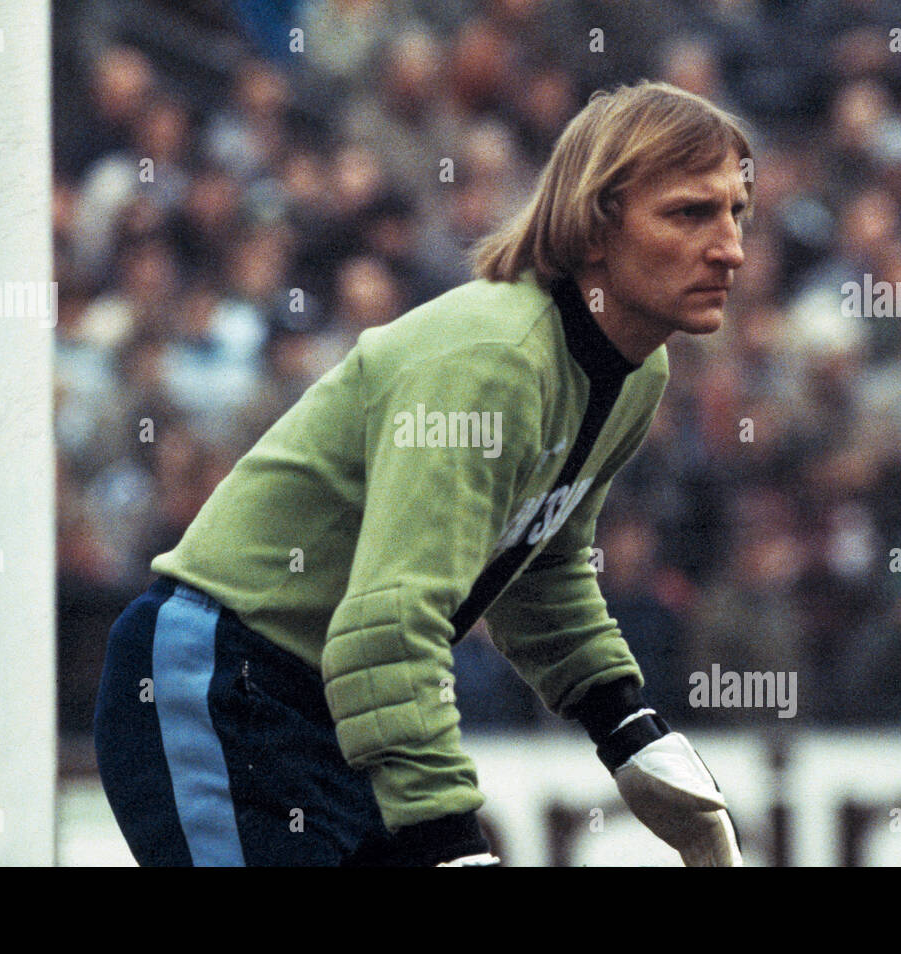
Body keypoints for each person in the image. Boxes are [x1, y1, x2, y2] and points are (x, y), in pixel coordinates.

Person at [94, 80, 750, 867]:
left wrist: (627, 727)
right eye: (689, 212)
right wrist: (452, 842)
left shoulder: (638, 373)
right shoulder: (496, 359)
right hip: (225, 679)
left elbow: (540, 568)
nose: (730, 247)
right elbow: (387, 624)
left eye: (736, 211)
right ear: (595, 223)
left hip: (329, 705)